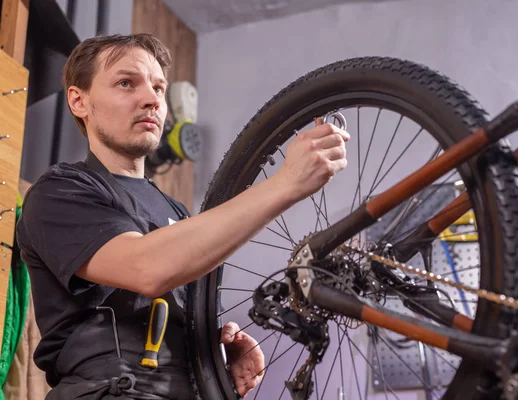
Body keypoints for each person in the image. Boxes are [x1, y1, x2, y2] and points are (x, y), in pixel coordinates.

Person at [16, 33, 350, 399]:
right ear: (79, 101)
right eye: (126, 83)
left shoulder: (176, 213)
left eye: (158, 88)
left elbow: (186, 307)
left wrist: (218, 348)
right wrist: (285, 184)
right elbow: (146, 268)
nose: (152, 100)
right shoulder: (60, 191)